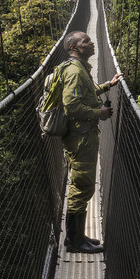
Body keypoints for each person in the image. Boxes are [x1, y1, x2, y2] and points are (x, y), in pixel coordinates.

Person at [57, 30, 122, 253]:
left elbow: (86, 94)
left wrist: (107, 85)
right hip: (81, 137)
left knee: (82, 186)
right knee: (81, 186)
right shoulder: (75, 71)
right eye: (86, 41)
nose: (92, 42)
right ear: (74, 47)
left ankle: (76, 237)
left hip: (83, 136)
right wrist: (99, 113)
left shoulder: (79, 68)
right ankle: (75, 243)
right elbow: (71, 106)